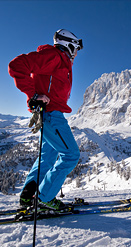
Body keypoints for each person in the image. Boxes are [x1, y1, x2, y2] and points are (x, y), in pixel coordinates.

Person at [8, 29, 83, 211]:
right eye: (76, 49)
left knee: (47, 157)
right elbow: (16, 66)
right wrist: (33, 95)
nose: (76, 53)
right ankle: (44, 197)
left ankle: (28, 196)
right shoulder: (54, 56)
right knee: (71, 155)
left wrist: (36, 96)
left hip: (50, 113)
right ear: (69, 45)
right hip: (51, 115)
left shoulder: (61, 62)